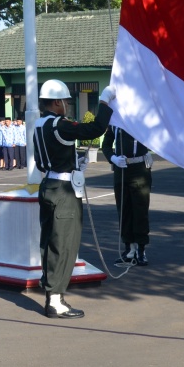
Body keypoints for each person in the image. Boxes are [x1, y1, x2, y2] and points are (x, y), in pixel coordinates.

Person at [34, 79, 114, 319]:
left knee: (49, 243)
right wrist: (104, 102)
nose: (67, 106)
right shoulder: (60, 124)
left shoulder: (40, 124)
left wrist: (72, 163)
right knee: (64, 245)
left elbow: (43, 160)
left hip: (48, 183)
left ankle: (51, 291)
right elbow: (95, 129)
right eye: (65, 102)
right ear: (57, 102)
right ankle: (55, 300)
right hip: (63, 190)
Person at [101, 125, 153, 266]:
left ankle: (141, 249)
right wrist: (113, 158)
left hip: (140, 169)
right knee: (124, 210)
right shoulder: (114, 123)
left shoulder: (139, 120)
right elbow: (106, 145)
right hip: (121, 169)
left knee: (140, 210)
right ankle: (129, 249)